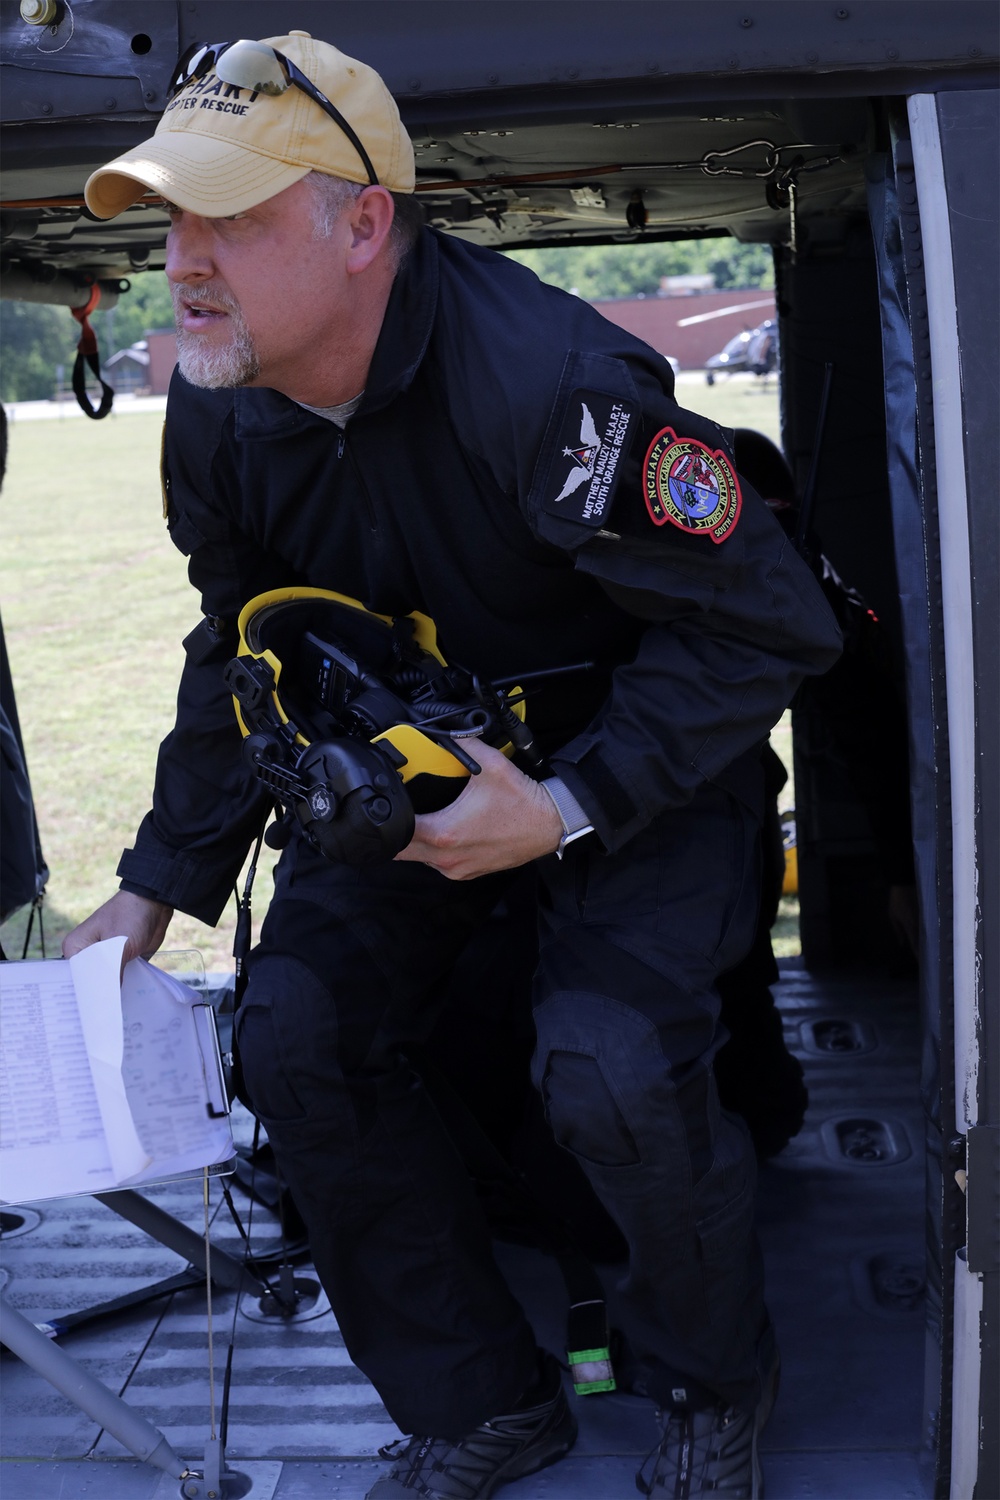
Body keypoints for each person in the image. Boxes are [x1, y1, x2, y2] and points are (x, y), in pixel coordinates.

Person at [67, 31, 841, 1499]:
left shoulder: (556, 389)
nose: (183, 264)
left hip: (638, 763)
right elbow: (238, 643)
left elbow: (765, 627)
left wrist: (560, 808)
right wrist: (159, 886)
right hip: (409, 769)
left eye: (225, 216)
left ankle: (709, 1385)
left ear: (363, 225)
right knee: (294, 1027)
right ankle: (484, 1403)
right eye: (171, 221)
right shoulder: (222, 405)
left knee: (607, 1064)